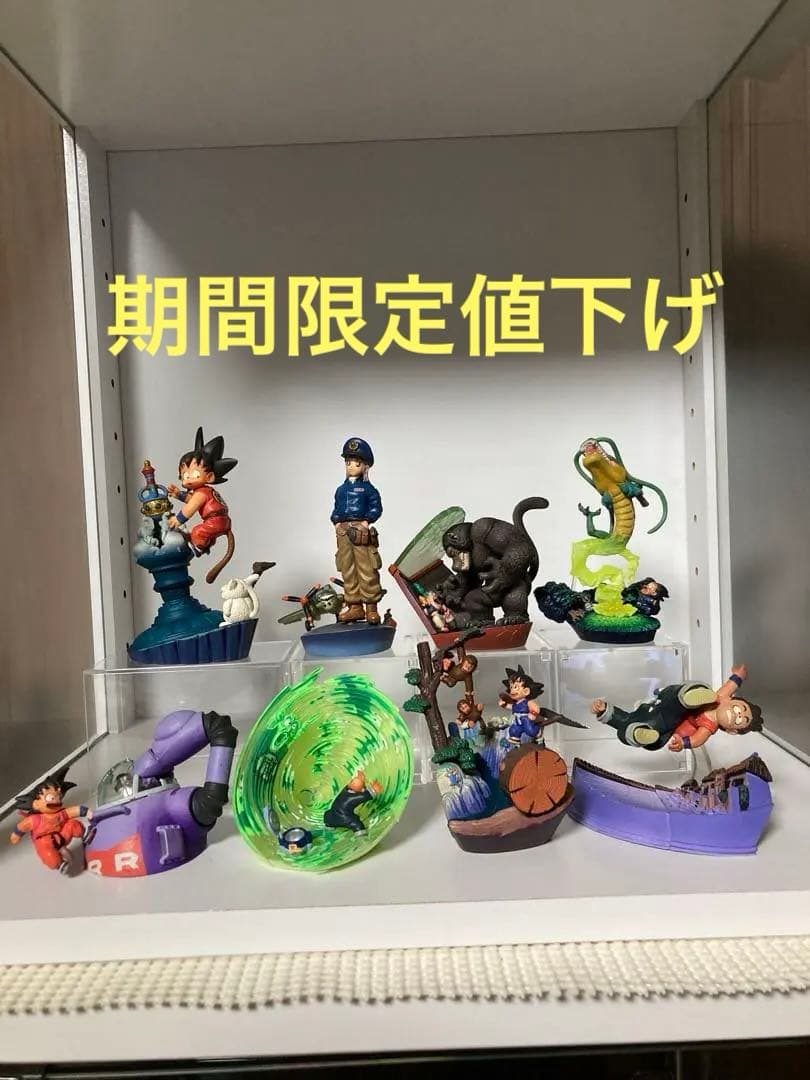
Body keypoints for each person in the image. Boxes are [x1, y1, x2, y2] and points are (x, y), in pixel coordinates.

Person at [590, 664, 763, 752]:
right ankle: (689, 695)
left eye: (739, 720)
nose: (737, 714)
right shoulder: (722, 698)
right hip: (669, 701)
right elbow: (731, 685)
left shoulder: (708, 727)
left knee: (648, 737)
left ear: (732, 731)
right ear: (733, 700)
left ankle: (636, 734)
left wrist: (604, 710)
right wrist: (739, 675)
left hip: (669, 719)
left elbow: (697, 740)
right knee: (677, 699)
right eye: (739, 709)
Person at [330, 437, 383, 625]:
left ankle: (371, 608)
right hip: (343, 533)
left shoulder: (369, 489)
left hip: (360, 532)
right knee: (347, 569)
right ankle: (355, 606)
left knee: (366, 569)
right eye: (348, 463)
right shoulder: (340, 490)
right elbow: (336, 509)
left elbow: (376, 508)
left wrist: (366, 521)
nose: (351, 466)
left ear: (365, 466)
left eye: (356, 463)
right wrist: (337, 522)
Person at [10, 767, 91, 872]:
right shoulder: (35, 820)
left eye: (58, 797)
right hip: (45, 843)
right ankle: (59, 864)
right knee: (48, 854)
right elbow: (22, 826)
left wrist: (86, 812)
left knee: (72, 824)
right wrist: (16, 835)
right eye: (51, 798)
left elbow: (73, 811)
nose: (56, 801)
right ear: (36, 803)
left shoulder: (60, 813)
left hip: (62, 836)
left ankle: (85, 834)